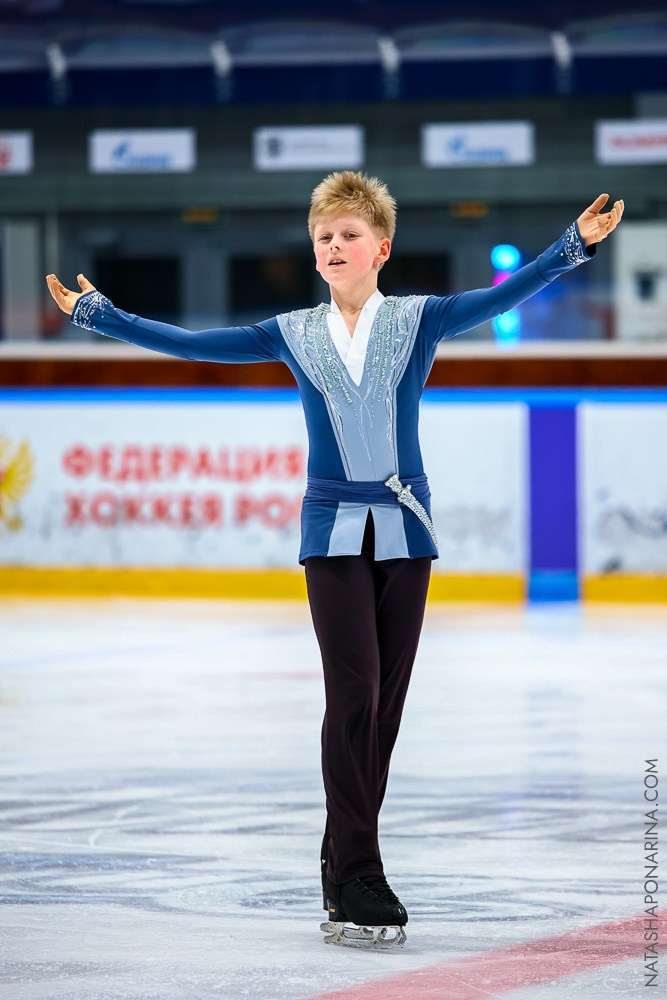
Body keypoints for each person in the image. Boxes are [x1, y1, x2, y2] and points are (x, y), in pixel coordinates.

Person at [46, 173, 624, 949]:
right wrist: (102, 316)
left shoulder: (419, 319)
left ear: (379, 248)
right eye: (323, 237)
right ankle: (359, 873)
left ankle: (337, 866)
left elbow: (501, 298)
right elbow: (193, 345)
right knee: (352, 694)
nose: (333, 246)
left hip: (405, 529)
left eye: (348, 235)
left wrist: (568, 247)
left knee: (382, 712)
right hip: (329, 528)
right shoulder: (292, 331)